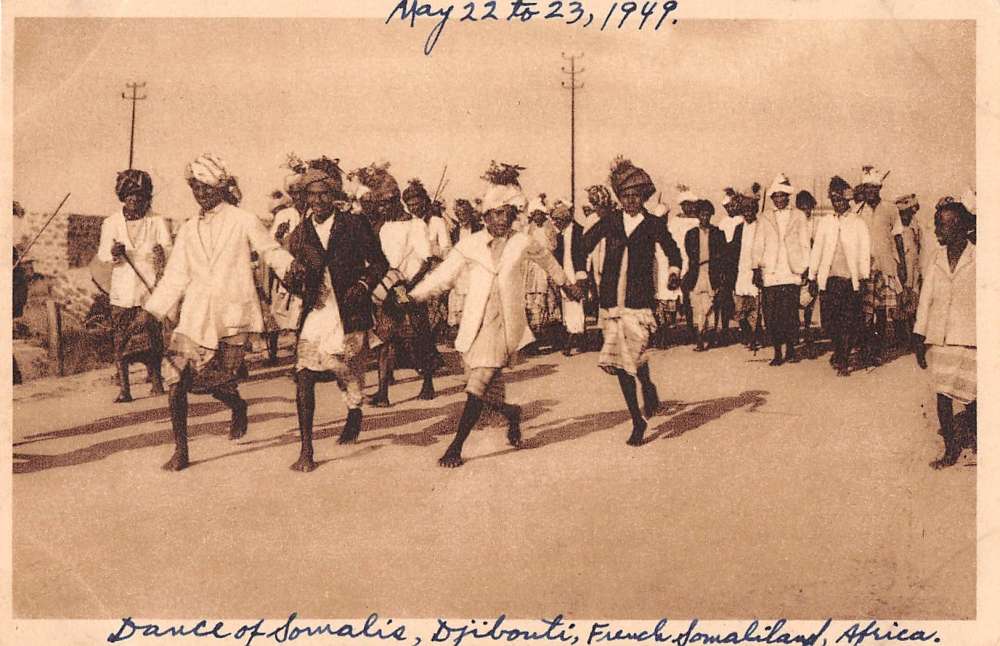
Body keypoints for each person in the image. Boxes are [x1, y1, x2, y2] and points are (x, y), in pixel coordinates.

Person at [130, 154, 299, 471]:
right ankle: (182, 450)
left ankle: (237, 405)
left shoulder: (242, 219)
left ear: (220, 186)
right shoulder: (189, 228)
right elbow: (177, 275)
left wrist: (293, 271)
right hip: (194, 316)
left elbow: (271, 252)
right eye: (196, 187)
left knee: (213, 382)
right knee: (177, 379)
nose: (202, 193)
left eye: (207, 187)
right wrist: (152, 310)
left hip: (231, 315)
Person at [409, 161, 581, 467]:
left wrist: (568, 286)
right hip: (474, 325)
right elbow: (443, 277)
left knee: (477, 386)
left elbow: (550, 264)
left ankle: (455, 447)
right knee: (484, 389)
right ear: (485, 215)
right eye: (494, 214)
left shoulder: (523, 242)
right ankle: (512, 414)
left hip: (505, 324)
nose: (500, 220)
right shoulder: (471, 245)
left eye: (506, 214)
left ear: (514, 215)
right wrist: (413, 297)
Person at [282, 160, 391, 472]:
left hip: (349, 311)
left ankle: (354, 408)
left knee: (345, 368)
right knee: (304, 373)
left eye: (323, 195)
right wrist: (295, 281)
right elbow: (292, 276)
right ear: (304, 198)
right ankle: (307, 450)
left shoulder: (354, 225)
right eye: (311, 196)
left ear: (334, 196)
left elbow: (380, 263)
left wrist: (362, 283)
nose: (317, 201)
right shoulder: (301, 233)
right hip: (316, 313)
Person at [577, 157, 682, 446]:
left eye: (635, 196)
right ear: (619, 198)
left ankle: (647, 385)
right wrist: (580, 273)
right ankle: (637, 420)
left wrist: (674, 273)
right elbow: (582, 245)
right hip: (612, 303)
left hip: (639, 303)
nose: (630, 201)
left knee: (633, 357)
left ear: (643, 196)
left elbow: (673, 251)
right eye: (625, 196)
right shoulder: (610, 221)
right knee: (620, 365)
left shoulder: (652, 224)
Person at [97, 169, 173, 402]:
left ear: (147, 197)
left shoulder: (157, 221)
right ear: (122, 196)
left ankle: (157, 381)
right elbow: (102, 255)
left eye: (139, 195)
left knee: (152, 336)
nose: (134, 200)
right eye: (129, 195)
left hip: (149, 287)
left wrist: (162, 253)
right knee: (121, 337)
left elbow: (169, 252)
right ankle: (125, 389)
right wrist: (114, 253)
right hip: (122, 291)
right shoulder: (111, 223)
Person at [914, 199, 976, 469]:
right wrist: (919, 335)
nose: (937, 230)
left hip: (971, 338)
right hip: (940, 337)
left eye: (943, 224)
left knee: (972, 395)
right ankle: (951, 449)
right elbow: (926, 296)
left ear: (960, 226)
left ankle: (976, 439)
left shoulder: (980, 258)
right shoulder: (937, 258)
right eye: (937, 223)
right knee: (942, 396)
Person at [369, 177, 438, 406]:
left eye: (386, 204)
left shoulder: (416, 225)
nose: (382, 208)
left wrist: (407, 287)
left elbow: (426, 260)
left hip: (410, 287)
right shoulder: (384, 227)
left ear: (396, 201)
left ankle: (427, 383)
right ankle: (382, 392)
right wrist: (388, 284)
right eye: (379, 204)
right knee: (384, 337)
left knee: (419, 334)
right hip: (391, 287)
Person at [807, 177, 870, 376]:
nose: (838, 204)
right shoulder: (826, 222)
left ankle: (843, 359)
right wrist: (812, 276)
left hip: (850, 281)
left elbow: (864, 251)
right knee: (829, 323)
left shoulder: (858, 223)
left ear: (848, 200)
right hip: (829, 280)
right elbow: (817, 249)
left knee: (848, 322)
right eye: (834, 200)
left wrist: (864, 277)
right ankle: (839, 351)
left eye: (841, 200)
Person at [752, 174, 811, 366]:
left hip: (791, 271)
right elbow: (758, 244)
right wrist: (756, 268)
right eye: (775, 196)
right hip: (771, 272)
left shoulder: (799, 216)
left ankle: (791, 350)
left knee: (790, 313)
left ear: (788, 197)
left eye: (782, 196)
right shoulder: (764, 217)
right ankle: (777, 352)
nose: (779, 199)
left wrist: (804, 268)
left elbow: (804, 243)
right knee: (772, 314)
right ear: (772, 198)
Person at [858, 166, 906, 365]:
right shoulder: (857, 210)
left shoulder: (891, 208)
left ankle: (878, 352)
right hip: (865, 268)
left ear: (879, 188)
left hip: (886, 266)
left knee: (881, 313)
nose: (870, 191)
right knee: (864, 313)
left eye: (874, 188)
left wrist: (902, 265)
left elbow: (898, 237)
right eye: (867, 188)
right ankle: (867, 351)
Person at [261, 169, 309, 364]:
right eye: (294, 192)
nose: (298, 196)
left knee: (305, 318)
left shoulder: (314, 212)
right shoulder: (285, 215)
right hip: (288, 274)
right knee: (288, 317)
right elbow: (271, 247)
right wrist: (281, 239)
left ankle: (305, 362)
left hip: (310, 270)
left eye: (301, 192)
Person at [682, 199, 727, 351]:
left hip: (712, 272)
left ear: (711, 215)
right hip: (697, 272)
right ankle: (700, 338)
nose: (705, 218)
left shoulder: (717, 233)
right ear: (697, 216)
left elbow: (722, 254)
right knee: (697, 305)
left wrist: (720, 273)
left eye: (707, 215)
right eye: (702, 214)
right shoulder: (691, 234)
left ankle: (711, 336)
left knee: (711, 305)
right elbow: (690, 253)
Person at [523, 194, 561, 350]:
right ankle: (536, 337)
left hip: (545, 265)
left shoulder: (549, 228)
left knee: (549, 300)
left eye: (539, 214)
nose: (537, 217)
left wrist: (542, 255)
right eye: (534, 214)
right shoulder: (529, 229)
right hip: (532, 267)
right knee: (532, 300)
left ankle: (553, 337)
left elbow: (553, 246)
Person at [550, 199, 588, 356]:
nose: (555, 223)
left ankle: (575, 337)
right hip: (565, 272)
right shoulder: (560, 235)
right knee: (567, 303)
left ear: (565, 219)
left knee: (576, 302)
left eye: (558, 220)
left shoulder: (580, 231)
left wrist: (582, 275)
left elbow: (585, 255)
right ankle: (575, 334)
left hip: (577, 272)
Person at [731, 190, 762, 350]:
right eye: (745, 211)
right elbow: (733, 251)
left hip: (756, 271)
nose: (748, 214)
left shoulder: (762, 226)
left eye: (750, 210)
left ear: (755, 210)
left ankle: (754, 338)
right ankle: (747, 334)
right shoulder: (738, 229)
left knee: (755, 309)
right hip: (741, 271)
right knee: (740, 309)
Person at [446, 198, 482, 333]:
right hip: (461, 269)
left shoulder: (479, 228)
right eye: (459, 213)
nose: (462, 216)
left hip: (475, 267)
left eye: (465, 212)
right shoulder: (454, 231)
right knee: (460, 298)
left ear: (470, 213)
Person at [893, 193, 922, 346]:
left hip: (914, 270)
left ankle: (913, 336)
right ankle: (900, 338)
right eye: (902, 213)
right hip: (900, 269)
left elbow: (920, 248)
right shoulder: (896, 230)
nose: (905, 216)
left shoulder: (916, 227)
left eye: (908, 212)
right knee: (899, 303)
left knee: (913, 302)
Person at [650, 202, 680, 348]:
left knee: (669, 305)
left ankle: (665, 335)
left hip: (668, 272)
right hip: (656, 273)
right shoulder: (651, 234)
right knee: (658, 306)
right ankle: (659, 336)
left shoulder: (670, 232)